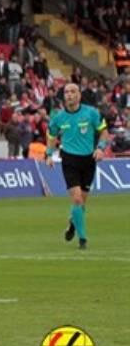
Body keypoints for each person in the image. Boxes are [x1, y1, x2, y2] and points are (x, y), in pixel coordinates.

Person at [46, 83, 108, 250]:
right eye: (66, 92)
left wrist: (101, 148)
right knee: (77, 199)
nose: (69, 95)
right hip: (69, 160)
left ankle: (73, 223)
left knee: (81, 203)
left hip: (88, 160)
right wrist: (49, 154)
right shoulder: (58, 117)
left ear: (79, 95)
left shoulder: (91, 113)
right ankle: (83, 239)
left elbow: (103, 131)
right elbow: (51, 135)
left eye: (73, 91)